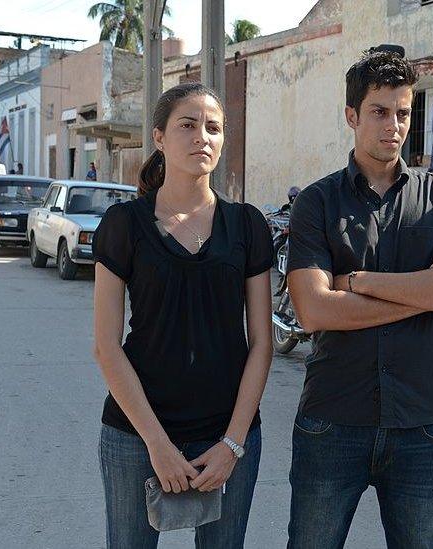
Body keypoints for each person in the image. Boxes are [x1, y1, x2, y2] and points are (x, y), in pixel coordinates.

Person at [284, 48, 433, 548]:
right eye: (378, 111)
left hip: (423, 424)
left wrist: (360, 282)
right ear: (351, 116)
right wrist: (425, 292)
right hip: (333, 419)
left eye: (403, 113)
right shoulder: (316, 202)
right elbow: (314, 309)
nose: (392, 125)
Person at [92, 83, 274, 548]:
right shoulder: (123, 224)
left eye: (213, 128)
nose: (202, 137)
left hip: (227, 438)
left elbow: (262, 344)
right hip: (136, 436)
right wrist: (156, 443)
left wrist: (233, 444)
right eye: (187, 125)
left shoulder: (248, 225)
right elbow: (106, 346)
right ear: (159, 137)